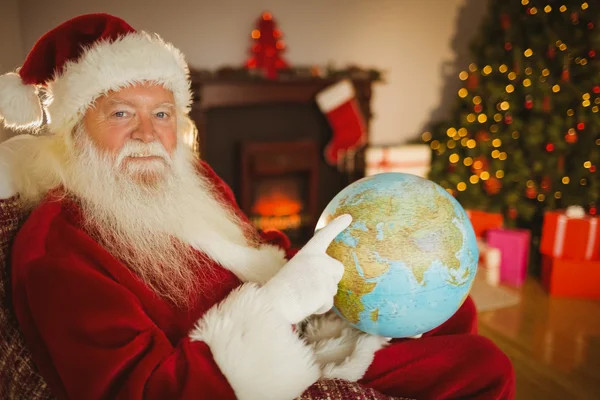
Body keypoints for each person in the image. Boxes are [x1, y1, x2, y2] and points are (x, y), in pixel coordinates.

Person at [0, 13, 515, 400]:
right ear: (73, 130)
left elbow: (250, 246)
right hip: (255, 366)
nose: (148, 134)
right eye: (119, 112)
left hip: (299, 322)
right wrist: (281, 307)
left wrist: (326, 264)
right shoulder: (57, 250)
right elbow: (144, 389)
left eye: (161, 113)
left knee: (456, 314)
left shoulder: (189, 177)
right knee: (483, 367)